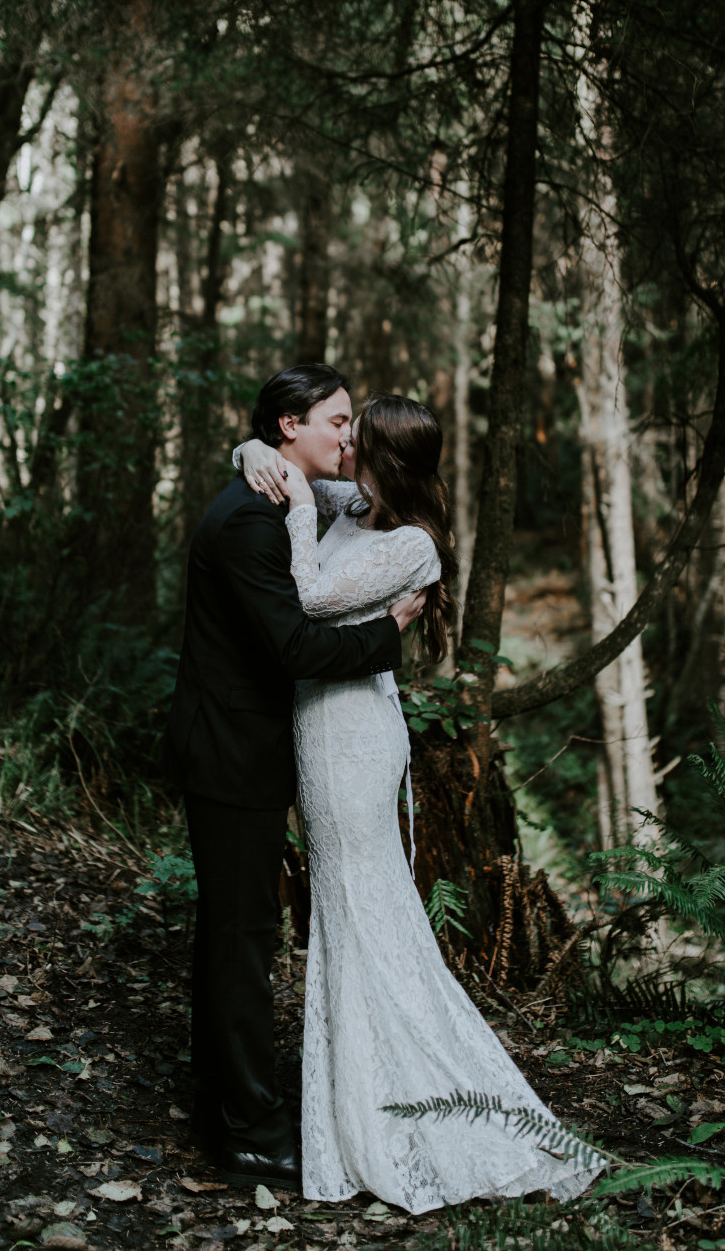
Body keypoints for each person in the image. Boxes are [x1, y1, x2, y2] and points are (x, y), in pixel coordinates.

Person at [235, 394, 602, 1214]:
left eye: (355, 434)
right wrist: (248, 453)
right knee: (346, 908)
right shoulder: (355, 504)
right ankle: (364, 1093)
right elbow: (281, 461)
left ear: (384, 455)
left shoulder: (411, 546)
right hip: (320, 727)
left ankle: (424, 1099)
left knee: (365, 906)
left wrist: (293, 506)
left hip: (355, 739)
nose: (343, 440)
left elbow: (309, 600)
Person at [160, 365, 427, 1191]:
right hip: (231, 756)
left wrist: (249, 449)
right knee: (240, 941)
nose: (349, 437)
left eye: (351, 424)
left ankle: (226, 1108)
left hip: (246, 751)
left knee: (234, 934)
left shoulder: (284, 501)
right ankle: (247, 1130)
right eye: (337, 422)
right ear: (288, 427)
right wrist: (388, 633)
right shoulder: (248, 520)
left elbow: (373, 517)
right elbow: (297, 648)